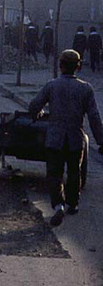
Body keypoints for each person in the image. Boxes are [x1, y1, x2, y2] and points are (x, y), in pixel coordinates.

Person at [29, 49, 103, 226]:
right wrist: (101, 140)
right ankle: (72, 204)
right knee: (74, 172)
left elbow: (34, 105)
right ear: (78, 67)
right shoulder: (86, 88)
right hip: (75, 140)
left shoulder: (52, 85)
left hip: (54, 138)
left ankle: (58, 206)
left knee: (54, 173)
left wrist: (37, 114)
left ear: (61, 65)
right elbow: (94, 117)